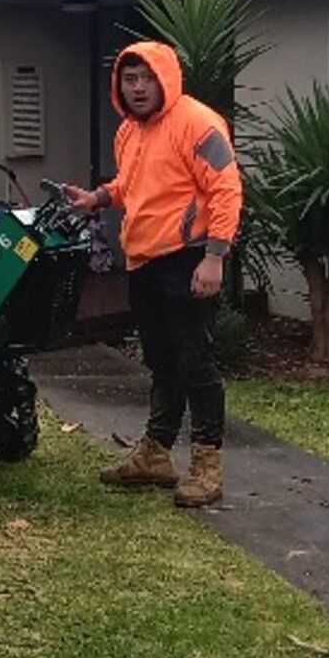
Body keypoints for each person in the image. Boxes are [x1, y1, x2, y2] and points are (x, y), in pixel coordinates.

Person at [63, 40, 243, 507]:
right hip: (143, 261)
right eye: (130, 78)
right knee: (162, 361)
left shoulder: (198, 124)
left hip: (188, 258)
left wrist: (215, 256)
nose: (138, 88)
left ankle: (207, 464)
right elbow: (134, 185)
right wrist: (97, 199)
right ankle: (156, 454)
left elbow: (226, 187)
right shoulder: (130, 132)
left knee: (195, 362)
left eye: (146, 78)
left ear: (165, 77)